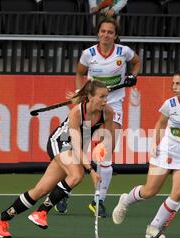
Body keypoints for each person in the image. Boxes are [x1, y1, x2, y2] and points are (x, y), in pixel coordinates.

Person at [0, 80, 114, 238]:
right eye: (101, 97)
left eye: (106, 97)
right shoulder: (77, 112)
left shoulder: (107, 112)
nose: (105, 100)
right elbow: (75, 145)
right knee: (76, 175)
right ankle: (41, 212)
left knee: (41, 189)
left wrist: (102, 149)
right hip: (61, 142)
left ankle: (1, 218)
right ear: (90, 97)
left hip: (76, 148)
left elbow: (107, 138)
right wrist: (91, 170)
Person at [111, 71, 180, 238]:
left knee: (177, 194)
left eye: (178, 84)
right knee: (149, 191)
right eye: (173, 83)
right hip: (165, 151)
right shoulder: (170, 104)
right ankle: (125, 201)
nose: (174, 87)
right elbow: (160, 123)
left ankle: (154, 227)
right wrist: (154, 143)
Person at [55, 17, 141, 217]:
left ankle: (98, 201)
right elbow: (79, 72)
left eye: (110, 32)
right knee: (77, 151)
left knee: (106, 153)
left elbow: (137, 62)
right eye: (103, 31)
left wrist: (133, 76)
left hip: (114, 106)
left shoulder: (123, 52)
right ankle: (64, 191)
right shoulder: (89, 54)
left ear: (115, 35)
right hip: (91, 106)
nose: (106, 35)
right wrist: (79, 92)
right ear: (98, 33)